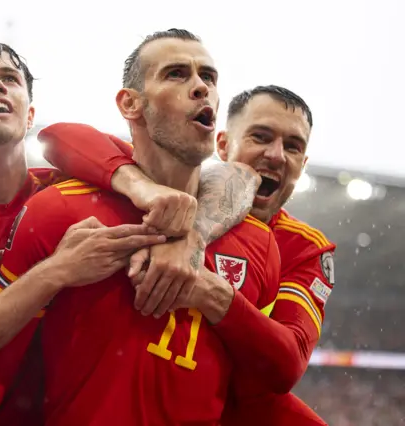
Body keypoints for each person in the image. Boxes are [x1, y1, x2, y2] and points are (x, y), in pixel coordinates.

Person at [0, 39, 259, 424]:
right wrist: (57, 270)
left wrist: (190, 232)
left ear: (30, 116)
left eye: (10, 78)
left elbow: (237, 176)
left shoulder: (65, 190)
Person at [0, 29, 280, 426]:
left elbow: (269, 385)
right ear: (131, 104)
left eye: (209, 77)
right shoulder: (59, 210)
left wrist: (209, 281)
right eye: (177, 74)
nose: (201, 88)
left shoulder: (259, 242)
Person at [40, 86, 334, 425]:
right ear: (222, 145)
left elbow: (287, 364)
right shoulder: (168, 193)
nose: (277, 154)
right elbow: (57, 137)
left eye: (293, 147)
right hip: (110, 394)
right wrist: (136, 184)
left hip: (233, 407)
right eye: (260, 137)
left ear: (303, 163)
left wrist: (209, 289)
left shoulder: (303, 247)